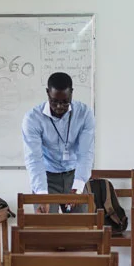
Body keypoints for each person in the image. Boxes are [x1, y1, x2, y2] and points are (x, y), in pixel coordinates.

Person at [22, 71, 95, 213]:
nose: (60, 107)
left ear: (72, 93)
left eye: (65, 102)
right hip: (47, 176)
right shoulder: (32, 119)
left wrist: (78, 188)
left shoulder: (85, 114)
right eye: (54, 101)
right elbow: (34, 159)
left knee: (82, 228)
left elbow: (85, 154)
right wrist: (42, 195)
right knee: (46, 227)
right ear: (48, 93)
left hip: (74, 174)